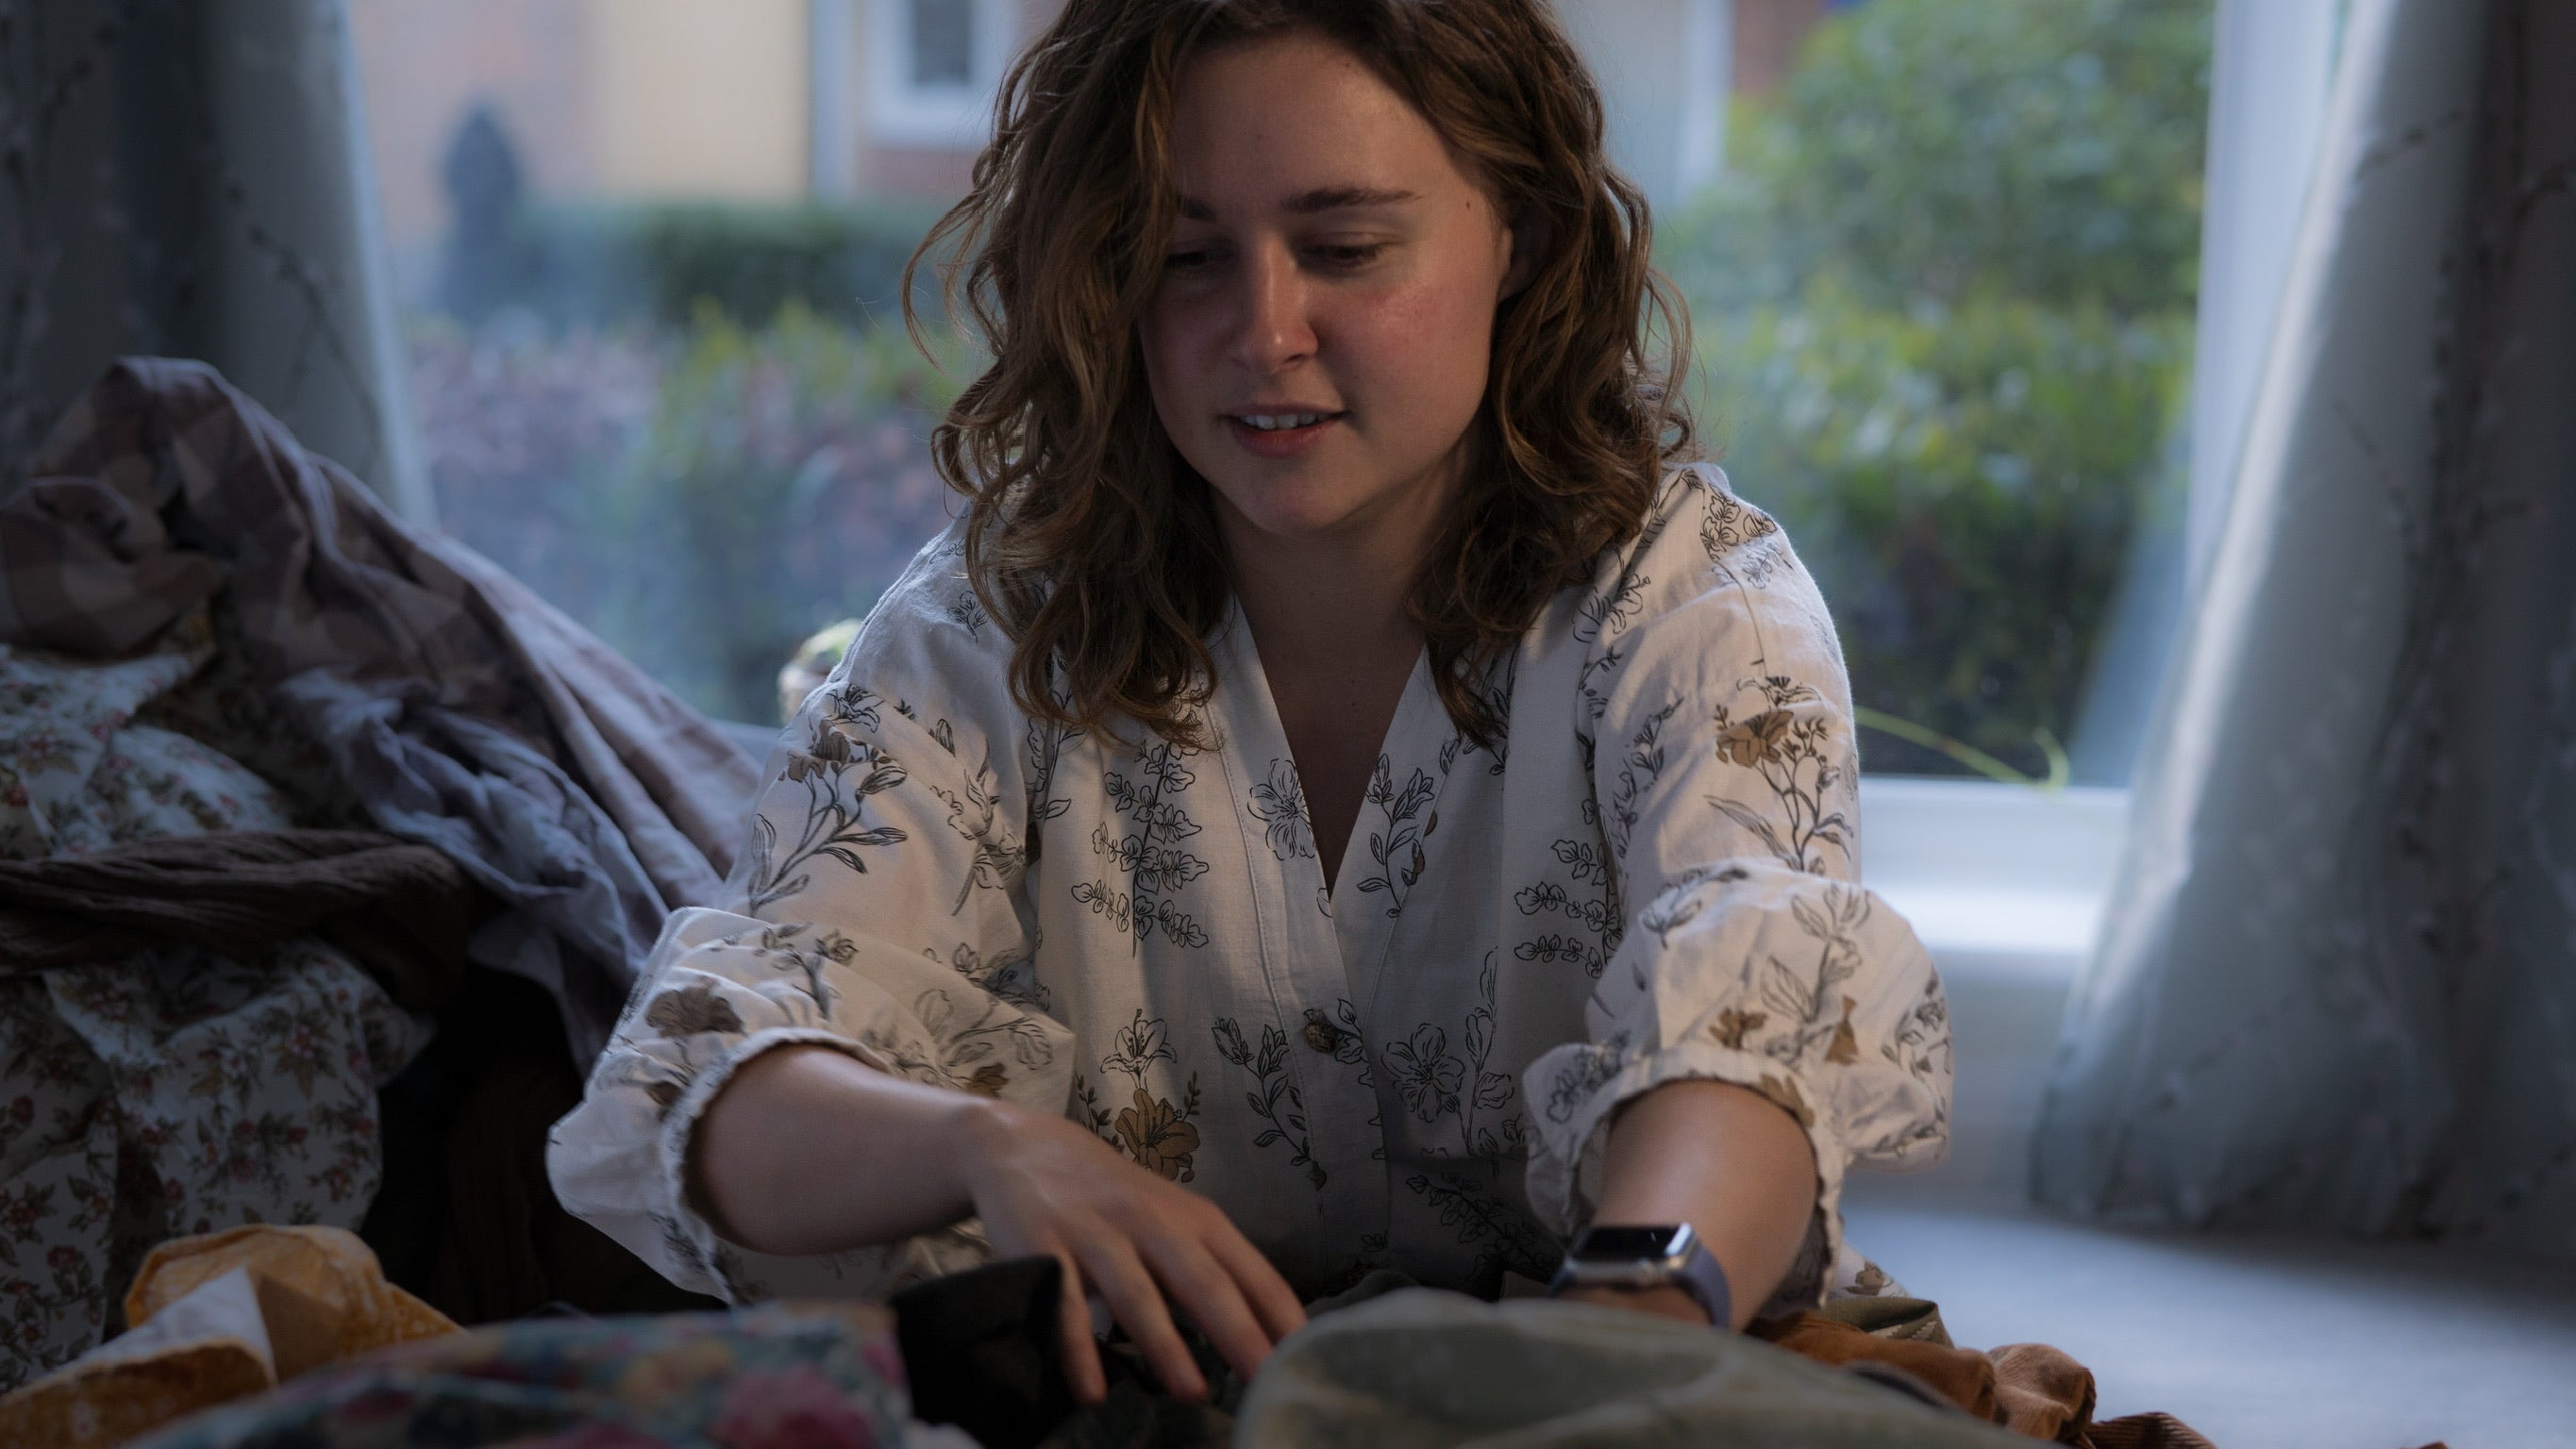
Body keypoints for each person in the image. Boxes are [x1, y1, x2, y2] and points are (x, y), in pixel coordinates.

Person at [546, 0, 1949, 1407]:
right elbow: (709, 1078)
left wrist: (1638, 1309)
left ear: (1518, 236)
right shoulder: (985, 625)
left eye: (1345, 250)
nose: (1262, 330)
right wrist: (990, 1149)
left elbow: (1754, 1006)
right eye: (1185, 258)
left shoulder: (1695, 599)